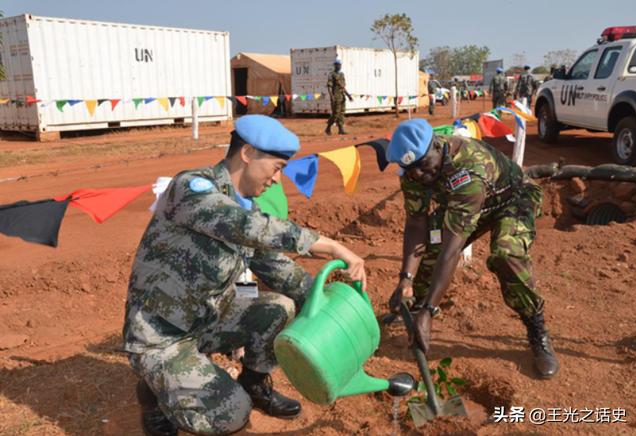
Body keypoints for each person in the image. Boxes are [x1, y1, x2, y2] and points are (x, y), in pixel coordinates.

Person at [124, 115, 367, 435]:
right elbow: (240, 226)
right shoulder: (192, 189)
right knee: (232, 413)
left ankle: (254, 383)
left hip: (204, 321)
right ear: (248, 153)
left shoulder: (247, 212)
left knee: (278, 307)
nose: (278, 179)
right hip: (162, 334)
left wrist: (329, 303)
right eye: (277, 167)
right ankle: (156, 396)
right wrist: (329, 246)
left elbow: (275, 267)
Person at [386, 118, 559, 380]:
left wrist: (430, 312)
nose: (419, 175)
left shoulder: (468, 169)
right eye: (410, 170)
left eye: (422, 166)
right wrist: (405, 279)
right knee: (431, 248)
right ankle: (415, 303)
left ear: (436, 145)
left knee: (506, 254)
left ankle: (537, 330)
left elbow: (452, 250)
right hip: (466, 205)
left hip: (512, 199)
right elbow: (416, 223)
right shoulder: (413, 173)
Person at [325, 59, 353, 135]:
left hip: (342, 96)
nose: (339, 66)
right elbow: (329, 86)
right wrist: (331, 96)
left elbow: (342, 87)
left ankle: (341, 129)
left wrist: (348, 95)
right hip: (336, 97)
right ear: (335, 66)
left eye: (340, 65)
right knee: (335, 114)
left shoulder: (342, 74)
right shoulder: (332, 74)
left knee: (341, 113)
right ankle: (328, 128)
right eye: (337, 65)